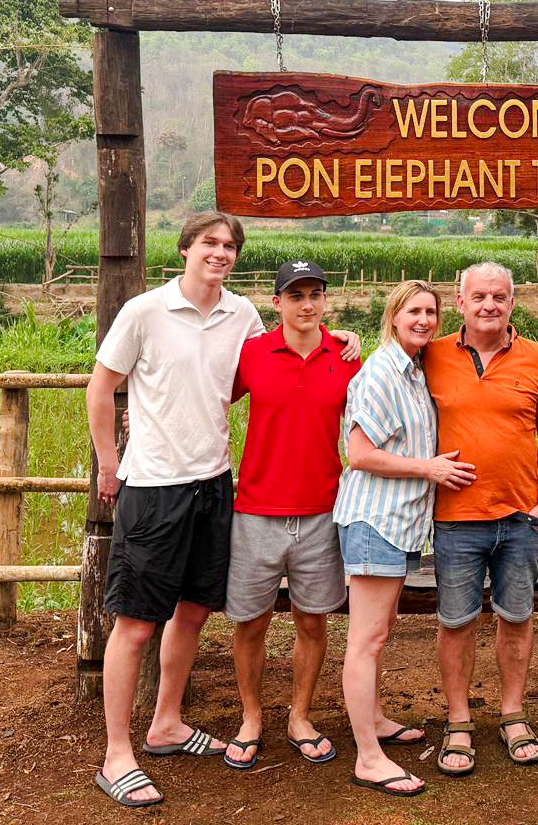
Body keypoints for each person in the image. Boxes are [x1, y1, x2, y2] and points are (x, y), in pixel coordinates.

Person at [86, 212, 260, 808]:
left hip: (213, 482)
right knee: (135, 622)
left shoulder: (243, 315)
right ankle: (116, 754)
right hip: (154, 485)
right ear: (185, 248)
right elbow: (101, 386)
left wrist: (343, 340)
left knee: (192, 612)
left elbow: (251, 375)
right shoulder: (144, 312)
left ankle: (166, 723)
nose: (220, 253)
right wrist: (110, 464)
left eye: (230, 246)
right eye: (209, 243)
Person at [336, 281, 476, 797]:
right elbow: (360, 453)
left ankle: (373, 720)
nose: (423, 319)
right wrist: (430, 470)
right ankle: (368, 758)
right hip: (375, 519)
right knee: (366, 640)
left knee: (380, 629)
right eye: (413, 311)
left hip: (399, 524)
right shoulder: (380, 373)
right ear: (393, 316)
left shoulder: (414, 370)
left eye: (430, 311)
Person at [221, 259, 360, 772]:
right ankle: (251, 715)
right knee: (250, 621)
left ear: (325, 301)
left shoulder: (345, 357)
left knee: (312, 619)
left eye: (315, 294)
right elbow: (207, 395)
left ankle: (300, 715)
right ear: (275, 303)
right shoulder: (252, 354)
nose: (307, 304)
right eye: (295, 295)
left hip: (323, 510)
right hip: (256, 509)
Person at [424, 261, 538, 776]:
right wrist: (348, 337)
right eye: (478, 296)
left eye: (499, 297)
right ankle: (458, 719)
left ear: (511, 302)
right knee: (456, 622)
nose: (489, 305)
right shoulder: (432, 354)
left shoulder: (536, 358)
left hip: (519, 517)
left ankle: (512, 713)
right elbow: (384, 361)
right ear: (459, 303)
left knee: (517, 617)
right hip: (455, 518)